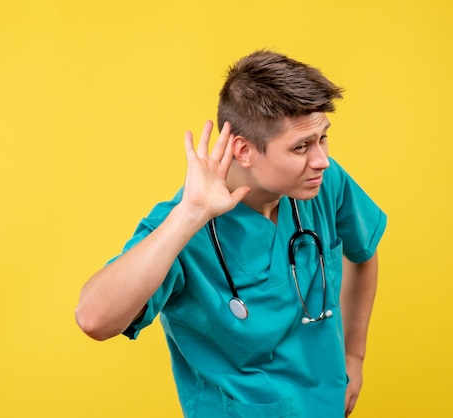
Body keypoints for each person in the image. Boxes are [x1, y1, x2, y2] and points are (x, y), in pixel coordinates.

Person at [76, 50, 387, 418]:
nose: (320, 159)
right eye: (301, 147)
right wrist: (189, 215)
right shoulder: (181, 227)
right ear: (244, 151)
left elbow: (363, 254)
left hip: (325, 404)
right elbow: (94, 319)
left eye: (322, 139)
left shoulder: (323, 183)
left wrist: (355, 355)